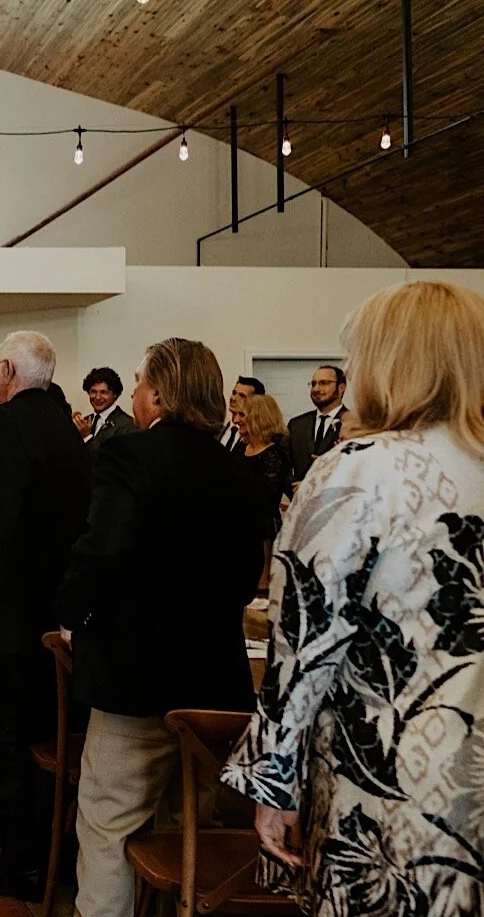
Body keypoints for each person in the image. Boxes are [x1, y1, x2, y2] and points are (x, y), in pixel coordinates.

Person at [223, 282, 484, 917]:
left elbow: (305, 640)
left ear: (388, 362)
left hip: (393, 774)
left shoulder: (358, 468)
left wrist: (273, 778)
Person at [57, 337, 268, 917]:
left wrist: (73, 613)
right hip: (213, 687)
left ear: (158, 395)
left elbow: (102, 550)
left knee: (107, 820)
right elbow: (247, 576)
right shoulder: (241, 472)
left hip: (136, 676)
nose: (136, 395)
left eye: (139, 384)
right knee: (187, 830)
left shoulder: (129, 456)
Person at [0, 331, 90, 901]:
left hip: (8, 609)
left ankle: (20, 863)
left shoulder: (0, 426)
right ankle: (58, 854)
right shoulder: (67, 428)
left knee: (2, 731)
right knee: (47, 731)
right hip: (57, 610)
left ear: (6, 370)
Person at [238, 393, 293, 540]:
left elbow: (263, 498)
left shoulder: (274, 454)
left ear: (258, 418)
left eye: (242, 415)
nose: (237, 420)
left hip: (262, 532)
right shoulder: (240, 448)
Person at [286, 364, 348, 485]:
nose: (316, 389)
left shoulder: (355, 425)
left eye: (324, 383)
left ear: (341, 388)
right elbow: (283, 465)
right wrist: (295, 488)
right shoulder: (297, 425)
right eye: (313, 384)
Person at [74, 367, 136, 456]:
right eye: (93, 392)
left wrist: (87, 437)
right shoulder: (84, 422)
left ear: (115, 394)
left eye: (103, 392)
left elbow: (108, 460)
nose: (97, 397)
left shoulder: (127, 425)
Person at [218, 376, 265, 453]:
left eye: (242, 395)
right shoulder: (218, 431)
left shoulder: (258, 436)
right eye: (234, 393)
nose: (233, 398)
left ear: (255, 402)